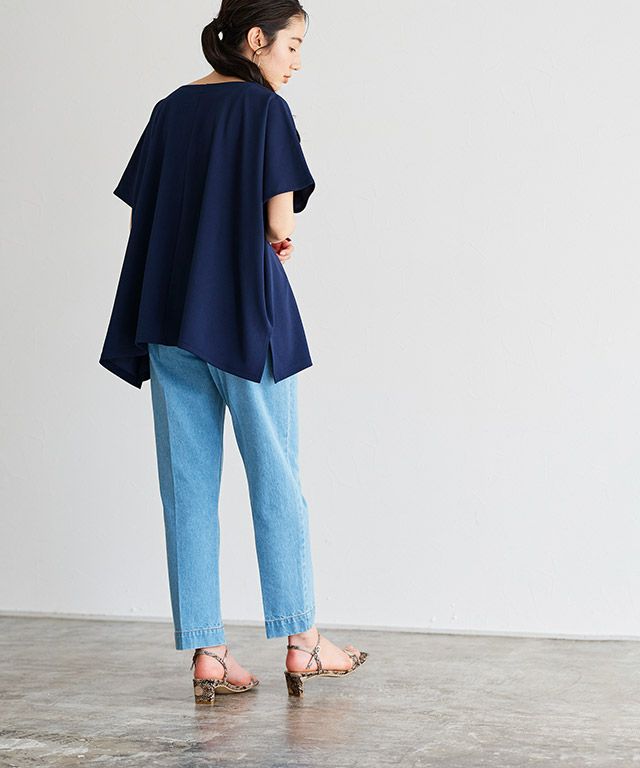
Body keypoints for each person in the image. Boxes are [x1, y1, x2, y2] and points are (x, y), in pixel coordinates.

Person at [99, 0, 367, 701]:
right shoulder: (264, 109)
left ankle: (210, 652)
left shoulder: (169, 110)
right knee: (277, 478)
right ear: (256, 39)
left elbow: (149, 208)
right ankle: (303, 641)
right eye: (293, 45)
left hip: (170, 317)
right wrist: (279, 241)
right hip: (245, 317)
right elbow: (278, 221)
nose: (297, 61)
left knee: (187, 488)